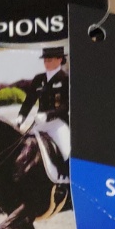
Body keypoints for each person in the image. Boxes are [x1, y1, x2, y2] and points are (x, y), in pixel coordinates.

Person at [18, 46, 70, 185]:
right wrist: (21, 116)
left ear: (59, 59)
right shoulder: (38, 79)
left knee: (66, 151)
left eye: (50, 60)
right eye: (45, 60)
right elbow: (29, 101)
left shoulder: (66, 79)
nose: (46, 63)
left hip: (58, 122)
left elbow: (67, 105)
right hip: (40, 123)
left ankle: (68, 181)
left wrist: (48, 115)